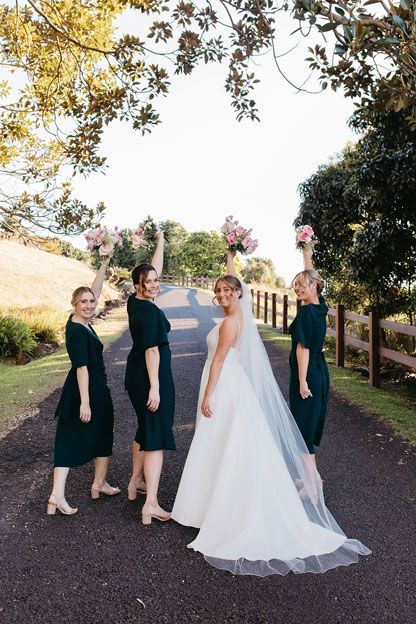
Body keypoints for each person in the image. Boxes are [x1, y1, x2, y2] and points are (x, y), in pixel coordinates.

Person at [171, 251, 370, 576]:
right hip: (234, 384)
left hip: (224, 385)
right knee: (224, 444)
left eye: (227, 291)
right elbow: (239, 291)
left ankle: (223, 510)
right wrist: (232, 258)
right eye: (219, 291)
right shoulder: (242, 316)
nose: (222, 295)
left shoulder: (233, 323)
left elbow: (219, 361)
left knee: (220, 442)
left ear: (237, 295)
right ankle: (212, 505)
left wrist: (208, 393)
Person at [48, 256, 120, 515]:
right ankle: (56, 496)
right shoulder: (78, 331)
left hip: (96, 387)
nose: (90, 305)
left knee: (104, 432)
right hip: (85, 390)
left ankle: (99, 483)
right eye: (84, 302)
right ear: (74, 305)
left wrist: (104, 262)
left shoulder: (80, 321)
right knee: (68, 439)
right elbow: (81, 367)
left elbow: (95, 290)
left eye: (92, 301)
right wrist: (86, 402)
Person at [124, 231, 175, 525]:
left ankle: (135, 482)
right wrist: (155, 388)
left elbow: (150, 268)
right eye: (149, 282)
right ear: (138, 286)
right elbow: (152, 352)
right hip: (150, 375)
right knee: (155, 435)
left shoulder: (135, 302)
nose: (154, 285)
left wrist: (160, 241)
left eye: (156, 280)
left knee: (145, 427)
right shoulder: (152, 313)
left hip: (135, 374)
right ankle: (151, 504)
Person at [289, 247, 329, 496]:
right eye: (295, 286)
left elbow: (302, 350)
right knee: (307, 425)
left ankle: (313, 486)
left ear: (314, 286)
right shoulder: (319, 308)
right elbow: (312, 275)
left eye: (302, 285)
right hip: (320, 372)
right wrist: (307, 253)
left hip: (308, 375)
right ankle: (311, 478)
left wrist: (302, 381)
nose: (297, 289)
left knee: (302, 429)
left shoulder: (305, 313)